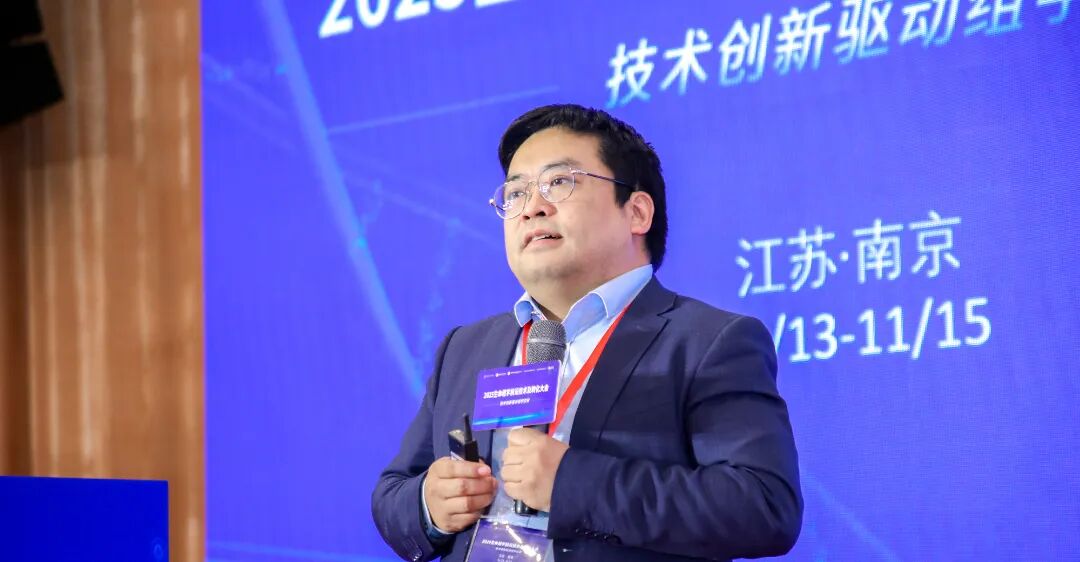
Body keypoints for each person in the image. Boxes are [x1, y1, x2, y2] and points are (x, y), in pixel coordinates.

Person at [372, 104, 802, 562]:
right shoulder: (465, 348)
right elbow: (393, 494)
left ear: (637, 212)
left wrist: (571, 484)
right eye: (515, 193)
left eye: (559, 182)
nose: (532, 208)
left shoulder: (708, 341)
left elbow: (762, 506)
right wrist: (431, 505)